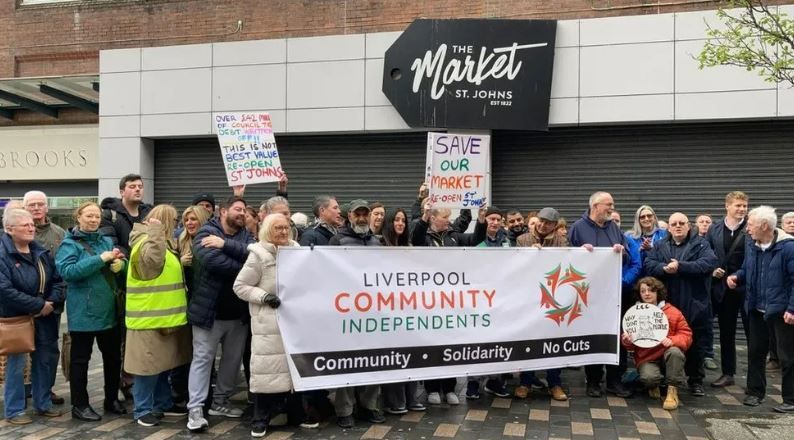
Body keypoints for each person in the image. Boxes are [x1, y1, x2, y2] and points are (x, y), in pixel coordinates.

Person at [234, 213, 313, 437]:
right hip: (268, 324)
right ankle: (260, 419)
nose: (283, 231)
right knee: (267, 372)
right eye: (278, 228)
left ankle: (296, 414)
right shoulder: (258, 255)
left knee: (294, 370)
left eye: (286, 227)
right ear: (267, 230)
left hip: (293, 322)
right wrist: (264, 297)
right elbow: (240, 286)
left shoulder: (296, 251)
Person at [186, 196, 254, 432]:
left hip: (238, 314)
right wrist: (245, 265)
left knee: (232, 361)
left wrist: (224, 245)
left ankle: (220, 402)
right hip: (209, 313)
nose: (242, 213)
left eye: (244, 210)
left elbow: (255, 256)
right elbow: (214, 263)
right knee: (203, 360)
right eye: (237, 209)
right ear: (222, 211)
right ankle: (195, 409)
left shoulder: (246, 235)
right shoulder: (205, 233)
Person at [55, 202, 127, 422]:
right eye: (89, 216)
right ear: (79, 217)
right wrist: (100, 259)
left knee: (113, 358)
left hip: (109, 310)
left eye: (96, 217)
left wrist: (120, 267)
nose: (94, 220)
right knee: (80, 361)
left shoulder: (105, 240)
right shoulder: (69, 244)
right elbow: (68, 272)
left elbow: (118, 268)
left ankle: (111, 398)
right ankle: (80, 404)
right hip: (83, 312)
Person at [412, 202, 487, 404]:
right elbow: (416, 239)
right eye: (445, 217)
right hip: (430, 300)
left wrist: (480, 220)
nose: (448, 220)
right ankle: (432, 388)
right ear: (434, 218)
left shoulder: (454, 236)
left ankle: (449, 388)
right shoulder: (425, 237)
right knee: (432, 344)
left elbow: (475, 240)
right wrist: (424, 215)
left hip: (451, 300)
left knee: (450, 343)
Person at [124, 205, 192, 427]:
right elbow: (152, 265)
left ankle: (162, 404)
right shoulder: (147, 242)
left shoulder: (164, 244)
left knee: (163, 365)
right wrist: (155, 234)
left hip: (165, 318)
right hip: (148, 319)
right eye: (174, 220)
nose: (177, 224)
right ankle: (142, 410)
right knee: (147, 368)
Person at [0, 209, 65, 424]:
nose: (31, 228)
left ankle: (42, 404)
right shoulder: (2, 254)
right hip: (15, 318)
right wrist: (38, 304)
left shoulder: (40, 251)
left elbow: (58, 280)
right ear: (9, 229)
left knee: (44, 361)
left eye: (31, 225)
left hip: (45, 316)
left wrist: (51, 303)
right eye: (25, 225)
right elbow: (4, 290)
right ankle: (14, 410)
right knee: (16, 365)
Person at [727, 205, 794, 413]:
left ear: (764, 226)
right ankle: (754, 393)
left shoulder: (788, 248)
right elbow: (748, 269)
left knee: (787, 356)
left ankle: (790, 399)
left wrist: (792, 308)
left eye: (751, 225)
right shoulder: (752, 245)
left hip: (782, 310)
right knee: (755, 352)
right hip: (756, 308)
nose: (748, 229)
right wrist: (737, 276)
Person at [644, 212, 718, 398]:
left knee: (695, 344)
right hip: (667, 305)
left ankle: (696, 381)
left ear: (688, 226)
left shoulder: (701, 244)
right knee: (663, 342)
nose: (677, 226)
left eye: (681, 223)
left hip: (694, 304)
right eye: (674, 223)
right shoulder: (660, 245)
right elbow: (649, 264)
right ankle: (665, 379)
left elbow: (708, 263)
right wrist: (663, 268)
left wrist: (681, 266)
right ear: (668, 227)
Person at [568, 191, 632, 398]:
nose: (612, 208)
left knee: (615, 336)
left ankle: (615, 381)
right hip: (588, 294)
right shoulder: (578, 228)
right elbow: (565, 258)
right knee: (593, 335)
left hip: (613, 293)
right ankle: (593, 381)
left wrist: (622, 252)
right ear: (595, 206)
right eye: (609, 204)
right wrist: (579, 253)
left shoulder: (614, 228)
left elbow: (628, 257)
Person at [328, 200, 385, 427]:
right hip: (346, 312)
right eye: (357, 214)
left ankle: (369, 406)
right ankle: (344, 410)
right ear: (349, 216)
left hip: (372, 312)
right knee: (346, 361)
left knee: (374, 359)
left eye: (365, 214)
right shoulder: (337, 240)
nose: (362, 218)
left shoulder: (376, 242)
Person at [514, 207, 569, 402]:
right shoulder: (523, 240)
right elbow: (514, 266)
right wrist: (528, 254)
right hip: (529, 299)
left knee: (554, 342)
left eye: (548, 223)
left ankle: (554, 383)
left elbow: (564, 266)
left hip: (553, 298)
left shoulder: (561, 241)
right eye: (541, 221)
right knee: (529, 341)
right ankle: (525, 382)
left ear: (555, 226)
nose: (543, 225)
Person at [378, 208, 426, 414]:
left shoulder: (409, 247)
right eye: (396, 220)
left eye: (403, 221)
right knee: (393, 356)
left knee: (411, 354)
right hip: (387, 309)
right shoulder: (378, 245)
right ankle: (394, 400)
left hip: (409, 308)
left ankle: (411, 396)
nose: (400, 224)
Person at [621, 277, 692, 411]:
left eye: (651, 290)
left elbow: (687, 335)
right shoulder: (633, 314)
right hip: (647, 358)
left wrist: (673, 340)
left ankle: (672, 390)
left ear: (658, 292)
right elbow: (630, 346)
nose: (647, 293)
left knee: (675, 352)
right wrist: (626, 340)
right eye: (643, 291)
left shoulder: (673, 312)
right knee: (649, 379)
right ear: (639, 294)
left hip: (668, 355)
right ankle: (654, 384)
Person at [23, 191, 66, 405]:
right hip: (21, 305)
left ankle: (45, 389)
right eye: (32, 205)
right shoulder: (14, 235)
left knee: (48, 349)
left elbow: (63, 271)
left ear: (47, 208)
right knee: (20, 348)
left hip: (51, 304)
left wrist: (51, 301)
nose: (37, 208)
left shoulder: (59, 234)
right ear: (24, 208)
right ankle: (24, 389)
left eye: (41, 204)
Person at [705, 191, 749, 386]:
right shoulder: (713, 229)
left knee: (753, 333)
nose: (742, 209)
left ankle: (756, 376)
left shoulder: (751, 227)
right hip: (722, 288)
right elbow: (706, 254)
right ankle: (728, 373)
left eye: (744, 206)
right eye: (738, 205)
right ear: (727, 206)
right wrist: (713, 270)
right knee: (726, 331)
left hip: (746, 287)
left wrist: (739, 275)